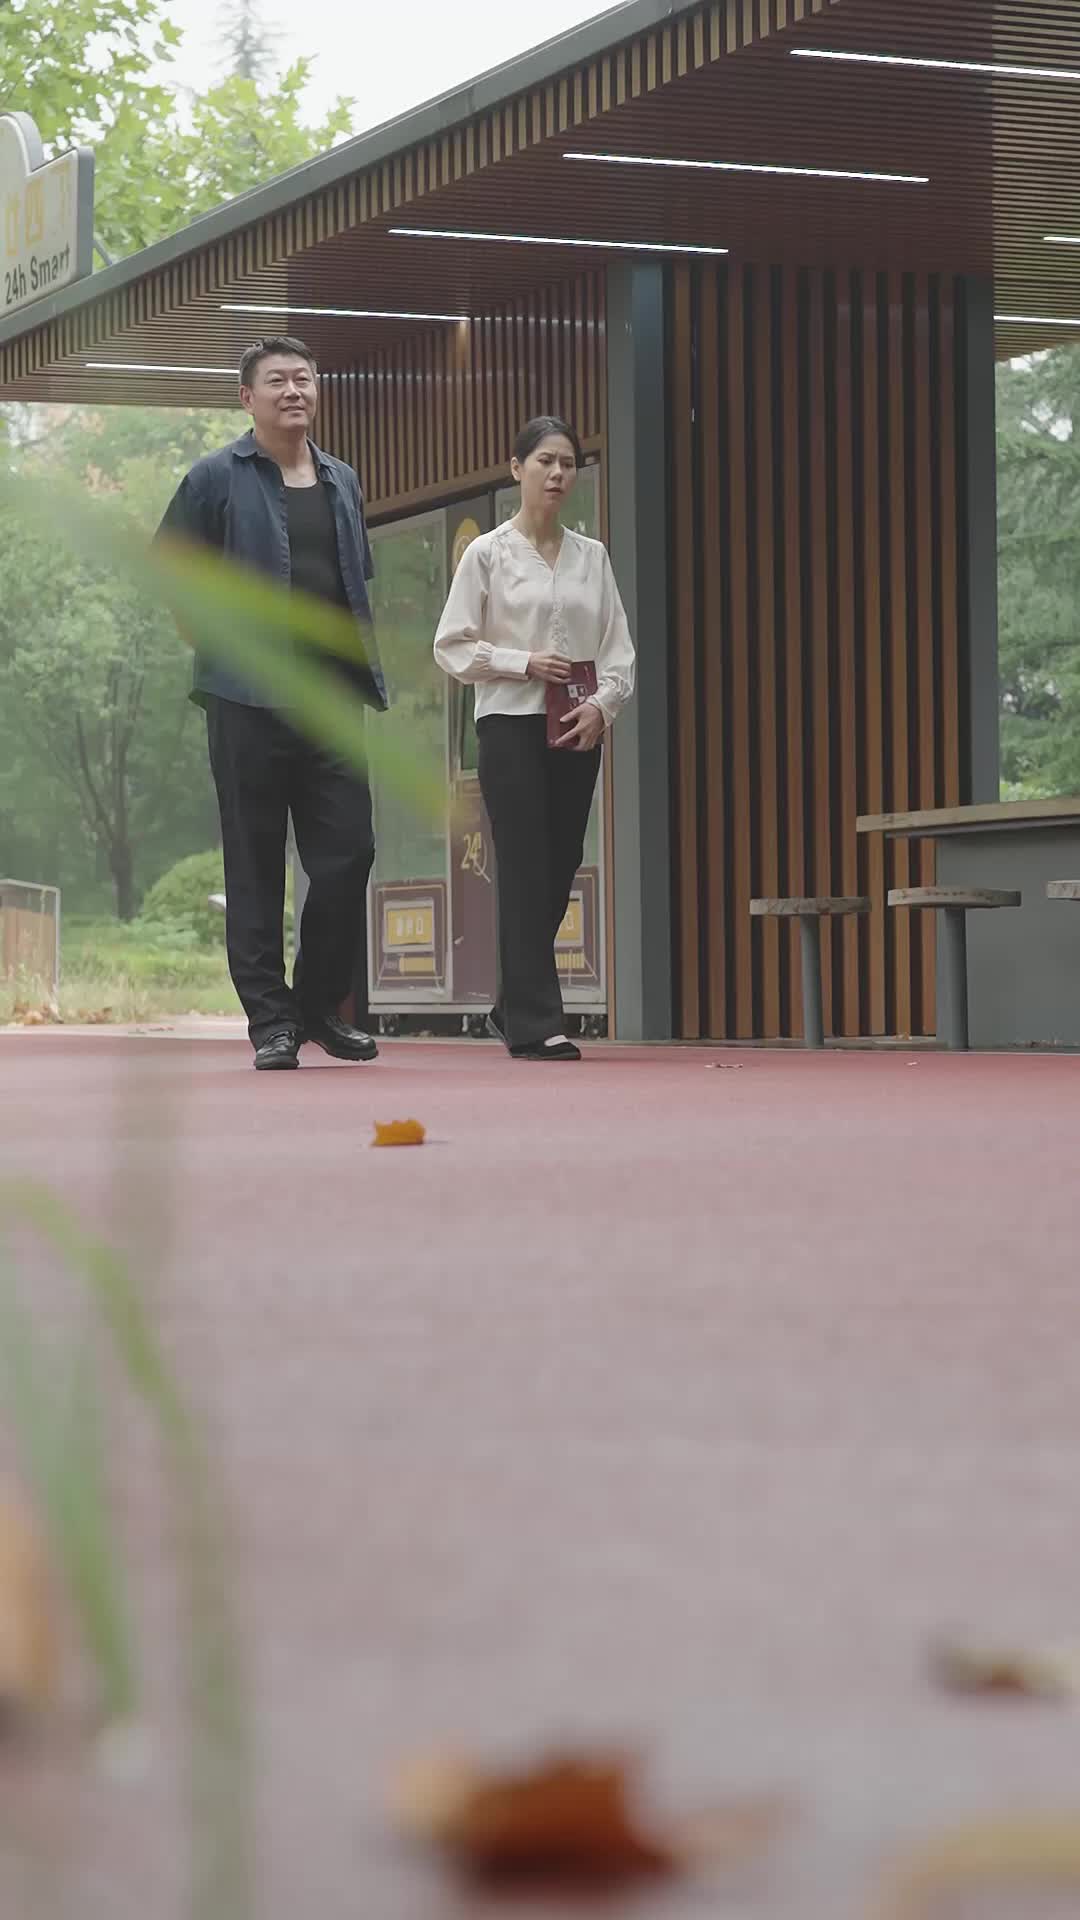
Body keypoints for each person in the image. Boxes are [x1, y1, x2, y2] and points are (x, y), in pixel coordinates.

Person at [156, 336, 387, 1071]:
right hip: (245, 700)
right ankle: (271, 1022)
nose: (294, 391)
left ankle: (317, 1006)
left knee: (350, 852)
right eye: (278, 381)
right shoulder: (214, 477)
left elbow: (353, 582)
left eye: (304, 379)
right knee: (255, 863)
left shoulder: (343, 480)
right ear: (247, 397)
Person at [433, 416, 635, 1061]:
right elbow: (451, 646)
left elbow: (618, 649)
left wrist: (603, 706)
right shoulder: (487, 554)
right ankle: (536, 1023)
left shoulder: (592, 556)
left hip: (576, 724)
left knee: (560, 861)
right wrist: (522, 662)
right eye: (545, 461)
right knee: (523, 863)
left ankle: (510, 1002)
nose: (557, 473)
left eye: (568, 463)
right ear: (517, 468)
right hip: (509, 723)